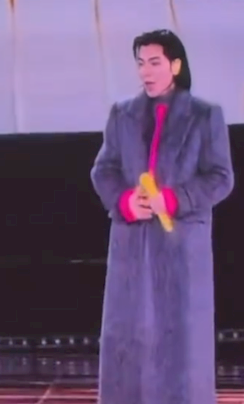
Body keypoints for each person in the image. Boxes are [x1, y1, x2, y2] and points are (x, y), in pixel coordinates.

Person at [90, 29, 234, 404]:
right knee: (129, 342)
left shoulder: (205, 116)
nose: (146, 72)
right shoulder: (122, 114)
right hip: (131, 249)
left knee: (182, 348)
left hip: (181, 249)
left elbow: (221, 178)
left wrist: (172, 199)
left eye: (154, 62)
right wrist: (125, 202)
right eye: (141, 63)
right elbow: (103, 170)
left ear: (176, 65)